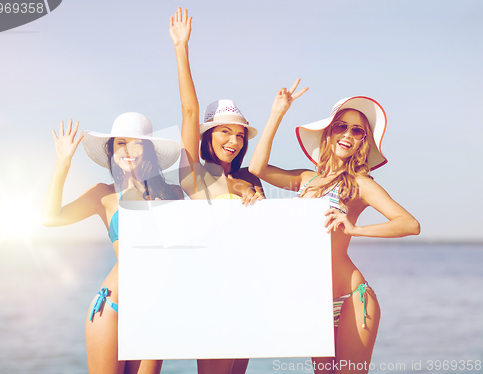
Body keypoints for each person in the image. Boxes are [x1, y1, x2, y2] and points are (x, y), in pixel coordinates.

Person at [249, 81, 420, 373]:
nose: (348, 134)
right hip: (314, 299)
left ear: (362, 141)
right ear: (329, 132)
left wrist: (355, 230)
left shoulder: (361, 184)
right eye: (342, 126)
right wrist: (277, 113)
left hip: (352, 298)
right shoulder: (305, 180)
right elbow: (258, 169)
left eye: (357, 131)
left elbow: (409, 224)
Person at [41, 113, 182, 374]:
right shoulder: (103, 194)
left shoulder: (173, 195)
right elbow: (50, 219)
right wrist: (63, 162)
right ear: (112, 150)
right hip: (112, 309)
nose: (127, 150)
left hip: (153, 311)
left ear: (149, 150)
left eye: (137, 143)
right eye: (120, 143)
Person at [170, 7, 263, 374]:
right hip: (210, 290)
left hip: (247, 289)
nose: (235, 139)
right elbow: (190, 111)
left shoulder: (251, 181)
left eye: (240, 134)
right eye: (225, 131)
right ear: (209, 135)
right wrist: (182, 49)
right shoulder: (194, 174)